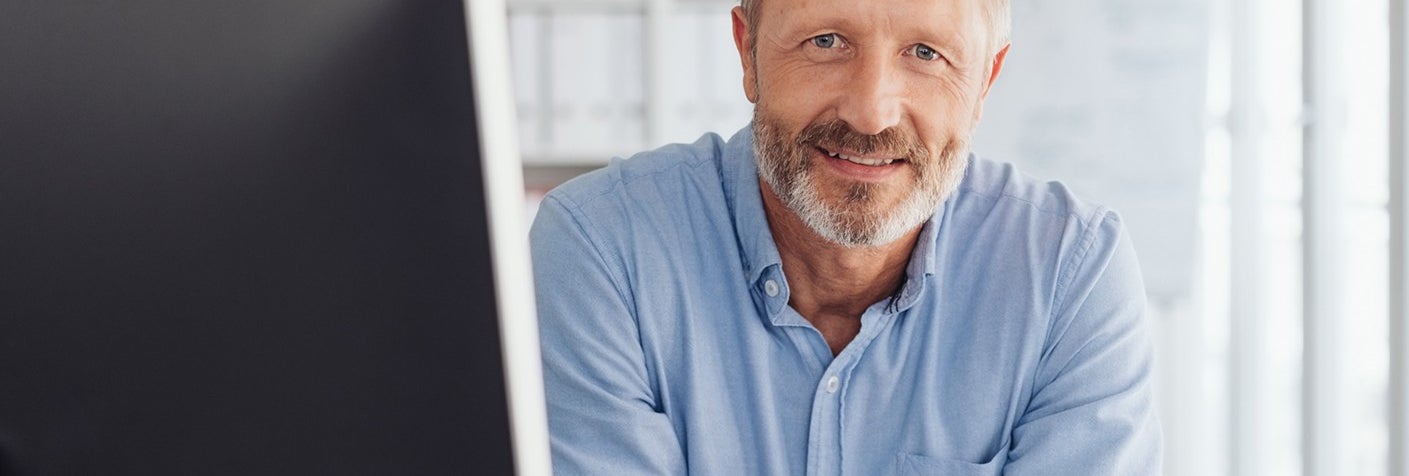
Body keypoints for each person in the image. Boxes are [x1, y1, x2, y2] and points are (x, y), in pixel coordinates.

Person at [529, 0, 1162, 473]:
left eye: (926, 54)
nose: (871, 112)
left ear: (984, 83)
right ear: (748, 53)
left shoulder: (1069, 273)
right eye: (826, 41)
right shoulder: (600, 250)